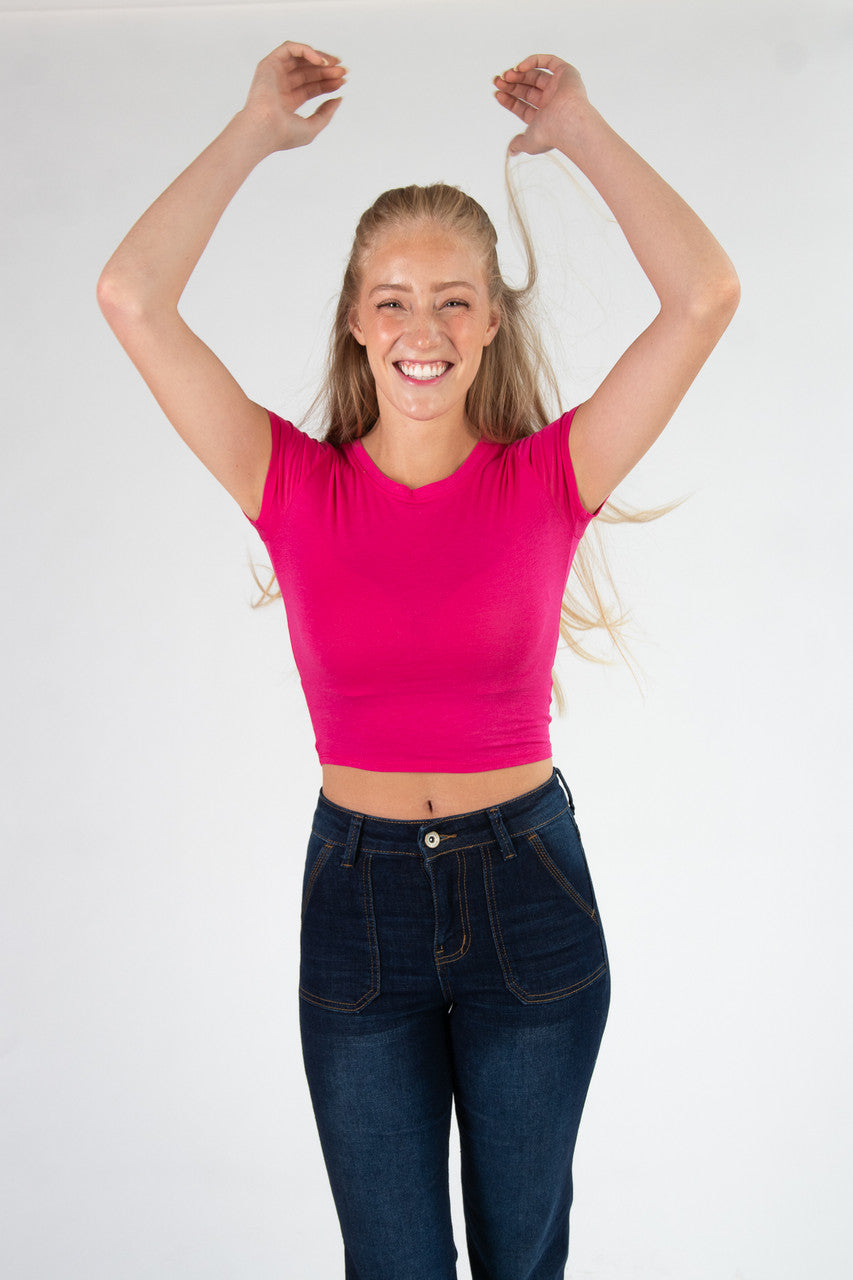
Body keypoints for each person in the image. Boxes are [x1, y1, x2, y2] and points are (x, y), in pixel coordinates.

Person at [97, 39, 739, 1280]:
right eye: (392, 298)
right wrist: (250, 134)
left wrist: (583, 132)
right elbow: (130, 294)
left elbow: (705, 294)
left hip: (528, 893)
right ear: (355, 320)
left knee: (520, 1259)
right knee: (392, 1265)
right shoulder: (289, 483)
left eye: (453, 298)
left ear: (492, 322)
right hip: (360, 906)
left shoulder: (550, 476)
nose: (423, 328)